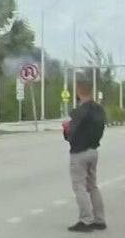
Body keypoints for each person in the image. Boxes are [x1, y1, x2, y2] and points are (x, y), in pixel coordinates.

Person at [64, 82, 107, 232]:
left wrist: (66, 131)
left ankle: (86, 220)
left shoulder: (80, 112)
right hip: (93, 150)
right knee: (92, 185)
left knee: (79, 186)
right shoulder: (99, 110)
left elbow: (71, 134)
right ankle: (99, 219)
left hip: (79, 152)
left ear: (79, 93)